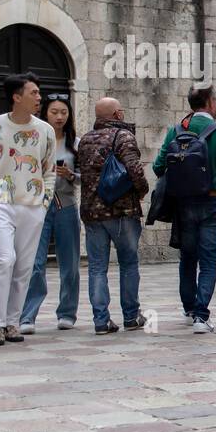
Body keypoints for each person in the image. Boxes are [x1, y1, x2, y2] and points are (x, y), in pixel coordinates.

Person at [152, 84, 216, 334]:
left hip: (183, 203)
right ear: (211, 103)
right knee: (209, 259)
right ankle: (201, 316)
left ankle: (189, 307)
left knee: (187, 257)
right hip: (214, 202)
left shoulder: (177, 129)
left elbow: (158, 167)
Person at [0, 73, 56, 345]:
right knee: (5, 259)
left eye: (38, 92)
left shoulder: (45, 130)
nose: (39, 97)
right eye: (33, 92)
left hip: (32, 206)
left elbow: (50, 170)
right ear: (16, 96)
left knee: (24, 266)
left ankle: (13, 323)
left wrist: (44, 203)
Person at [74, 97, 149, 334]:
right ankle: (130, 316)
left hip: (92, 212)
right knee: (128, 263)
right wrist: (143, 190)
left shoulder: (84, 140)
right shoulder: (123, 136)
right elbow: (134, 169)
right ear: (117, 115)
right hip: (121, 211)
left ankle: (101, 321)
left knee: (97, 268)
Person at [19, 92, 79, 334]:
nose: (59, 117)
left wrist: (71, 175)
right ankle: (27, 316)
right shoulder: (34, 139)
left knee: (70, 263)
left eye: (64, 112)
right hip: (39, 206)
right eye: (54, 112)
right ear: (45, 113)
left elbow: (86, 177)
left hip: (66, 205)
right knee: (35, 262)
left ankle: (67, 313)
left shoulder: (76, 143)